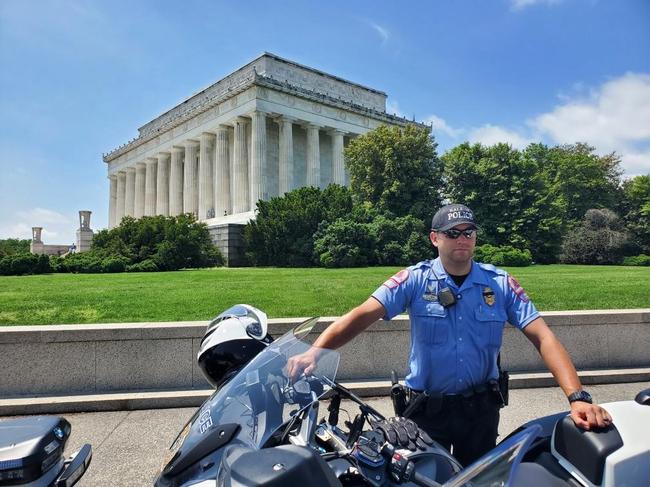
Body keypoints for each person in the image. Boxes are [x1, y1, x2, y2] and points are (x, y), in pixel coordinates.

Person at [288, 203, 612, 466]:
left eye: (469, 232)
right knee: (426, 477)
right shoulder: (413, 280)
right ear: (435, 238)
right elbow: (361, 315)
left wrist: (578, 398)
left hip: (480, 413)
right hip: (427, 414)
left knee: (479, 478)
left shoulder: (499, 284)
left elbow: (544, 337)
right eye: (452, 233)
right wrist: (316, 351)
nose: (462, 239)